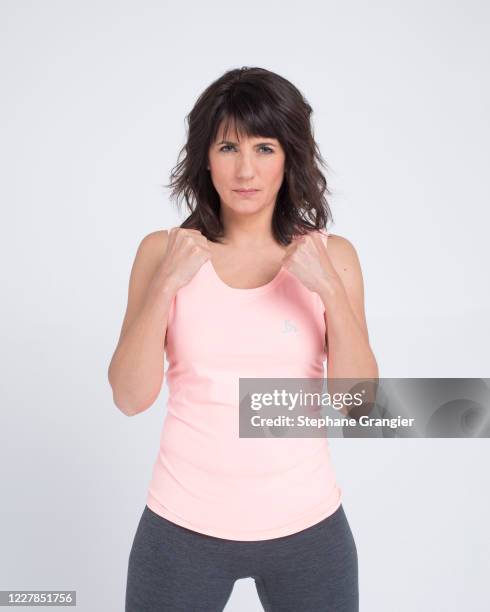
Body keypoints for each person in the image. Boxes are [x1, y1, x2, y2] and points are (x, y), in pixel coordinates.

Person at [108, 66, 378, 612]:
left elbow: (357, 407)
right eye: (229, 147)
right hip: (181, 528)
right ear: (205, 157)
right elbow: (130, 398)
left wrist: (327, 288)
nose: (246, 169)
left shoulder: (334, 257)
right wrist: (166, 284)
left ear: (290, 157)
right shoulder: (163, 253)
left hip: (308, 530)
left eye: (265, 147)